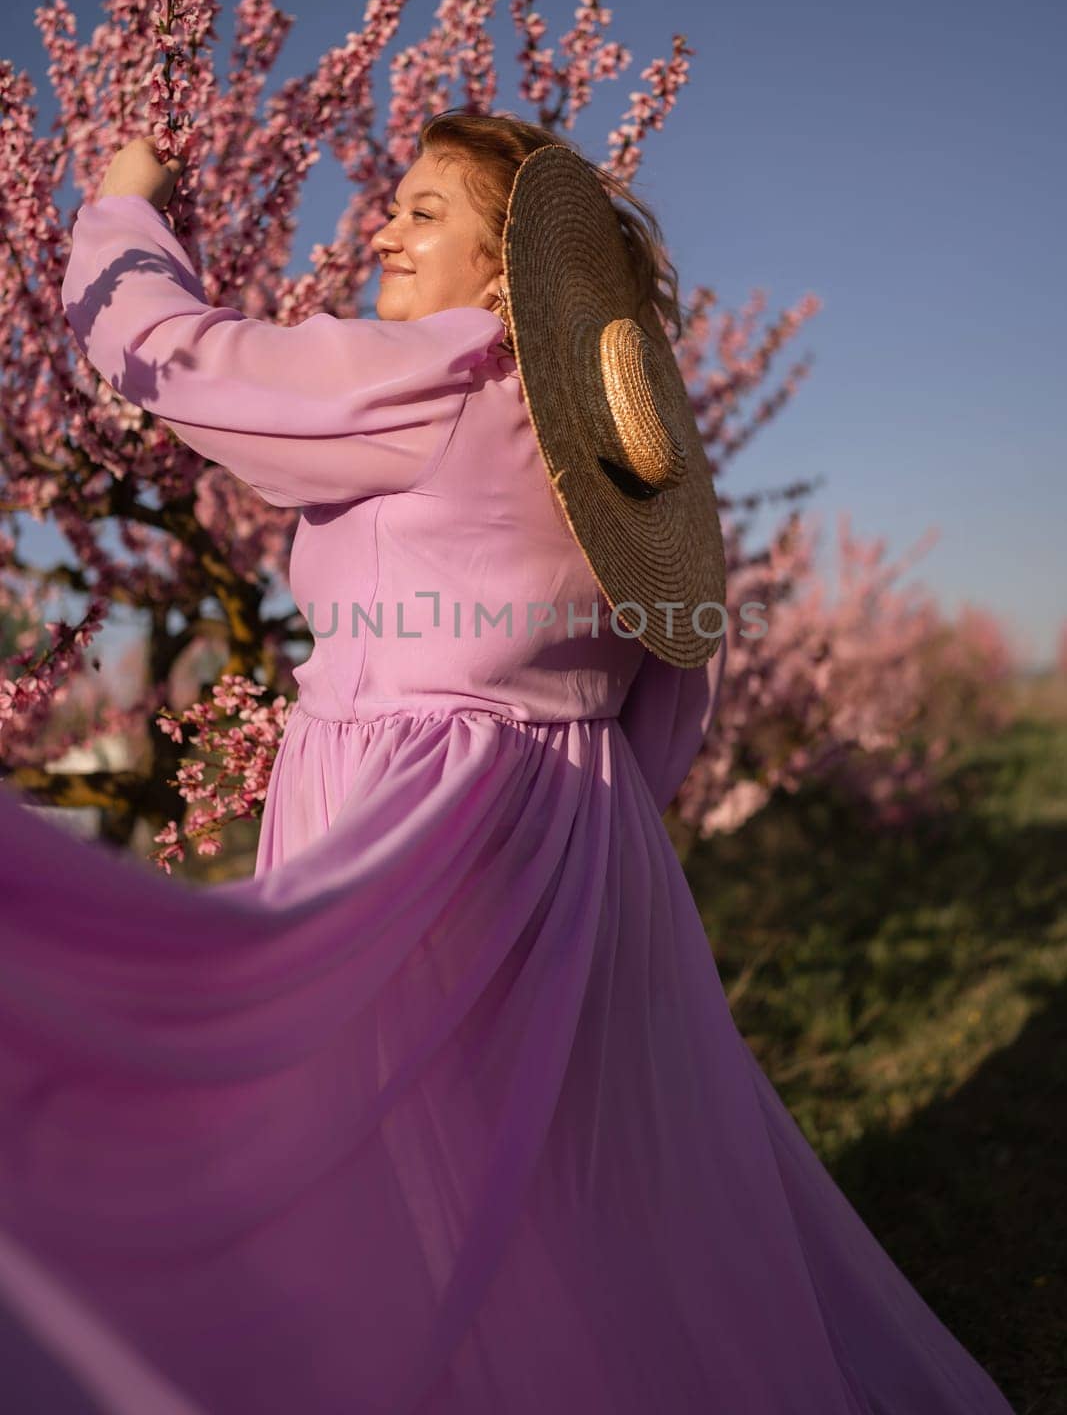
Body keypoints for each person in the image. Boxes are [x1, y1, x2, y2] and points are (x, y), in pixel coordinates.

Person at [0, 114, 1016, 1413]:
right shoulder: (612, 431)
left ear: (510, 268)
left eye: (426, 211)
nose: (381, 229)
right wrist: (601, 816)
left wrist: (126, 202)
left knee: (379, 1154)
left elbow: (173, 354)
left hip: (409, 802)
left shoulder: (451, 368)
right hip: (586, 831)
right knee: (549, 1175)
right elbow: (677, 678)